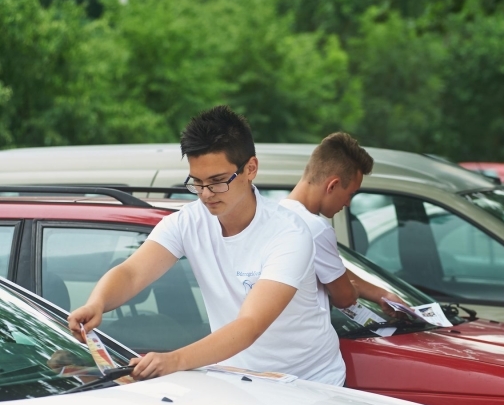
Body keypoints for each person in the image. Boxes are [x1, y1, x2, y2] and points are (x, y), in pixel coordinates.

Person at [67, 105, 345, 385]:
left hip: (310, 380)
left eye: (218, 181)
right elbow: (132, 272)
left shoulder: (289, 233)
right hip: (238, 378)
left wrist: (173, 361)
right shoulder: (188, 222)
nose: (206, 194)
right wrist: (97, 302)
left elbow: (250, 325)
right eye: (197, 183)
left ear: (251, 169)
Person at [279, 132, 405, 314]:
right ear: (333, 185)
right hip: (310, 341)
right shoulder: (314, 229)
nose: (348, 203)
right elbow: (345, 298)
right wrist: (351, 290)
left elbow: (334, 272)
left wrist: (381, 294)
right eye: (350, 194)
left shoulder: (277, 215)